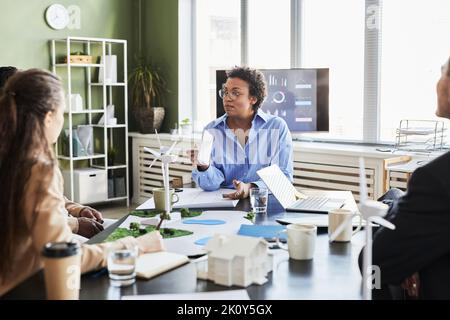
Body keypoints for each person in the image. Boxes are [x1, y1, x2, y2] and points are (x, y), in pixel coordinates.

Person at [0, 69, 164, 295]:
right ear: (49, 116)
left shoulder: (12, 157)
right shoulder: (39, 168)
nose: (63, 120)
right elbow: (64, 259)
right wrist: (135, 246)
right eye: (63, 113)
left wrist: (75, 210)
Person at [362, 57, 450, 299]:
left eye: (442, 72)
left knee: (388, 203)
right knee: (393, 195)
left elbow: (375, 262)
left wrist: (412, 263)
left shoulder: (436, 179)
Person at [0, 66, 106, 239]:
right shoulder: (30, 164)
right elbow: (31, 224)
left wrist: (78, 209)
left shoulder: (30, 152)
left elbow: (48, 199)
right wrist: (75, 224)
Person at [188, 66, 293, 199]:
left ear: (253, 98)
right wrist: (204, 167)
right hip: (224, 203)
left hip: (262, 202)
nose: (227, 98)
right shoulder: (211, 130)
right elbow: (210, 185)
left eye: (235, 93)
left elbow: (284, 177)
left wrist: (250, 188)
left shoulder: (277, 127)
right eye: (225, 92)